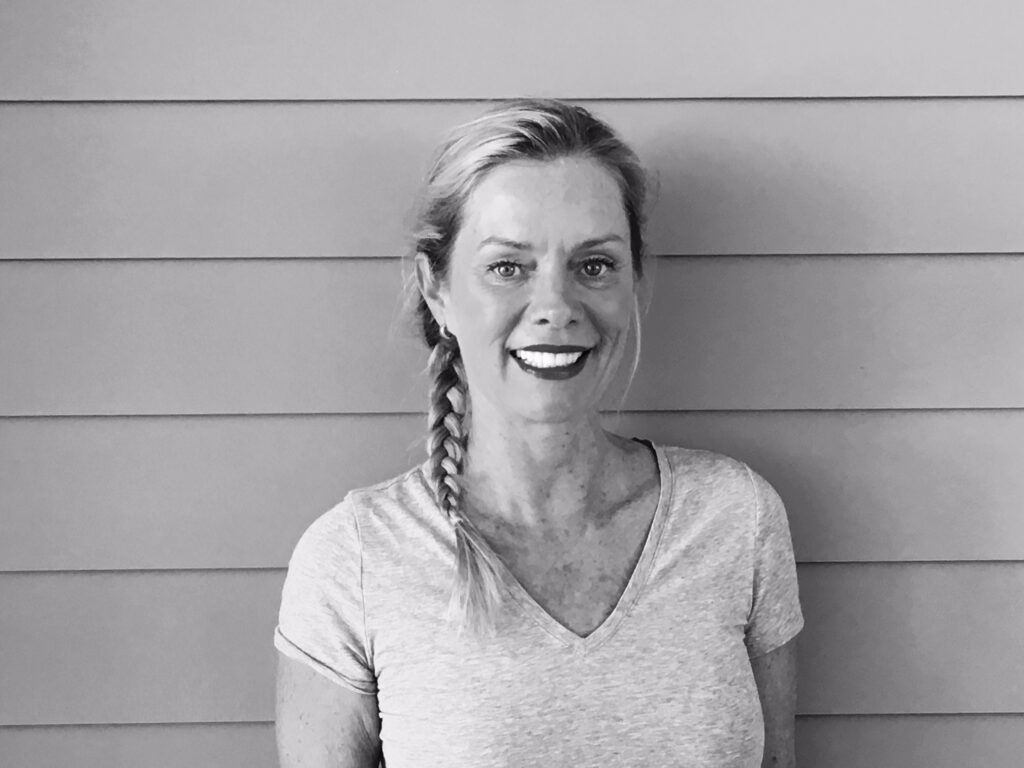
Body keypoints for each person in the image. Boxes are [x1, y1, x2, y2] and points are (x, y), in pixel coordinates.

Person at [274, 98, 804, 767]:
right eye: (508, 267)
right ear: (437, 290)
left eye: (594, 265)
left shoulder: (735, 519)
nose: (555, 307)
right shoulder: (355, 559)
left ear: (633, 283)